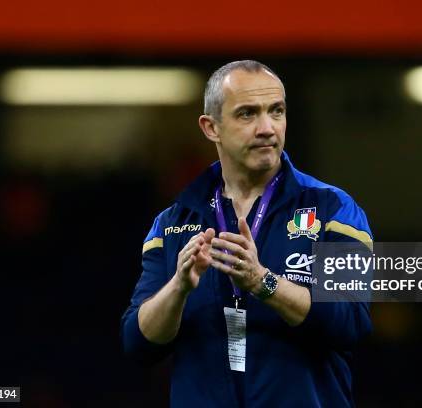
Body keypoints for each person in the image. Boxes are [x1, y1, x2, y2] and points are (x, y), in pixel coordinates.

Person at [121, 60, 373, 407]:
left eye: (277, 111)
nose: (267, 128)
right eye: (247, 114)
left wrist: (264, 283)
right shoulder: (172, 223)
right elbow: (137, 344)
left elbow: (352, 322)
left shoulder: (334, 210)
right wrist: (177, 289)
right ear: (212, 128)